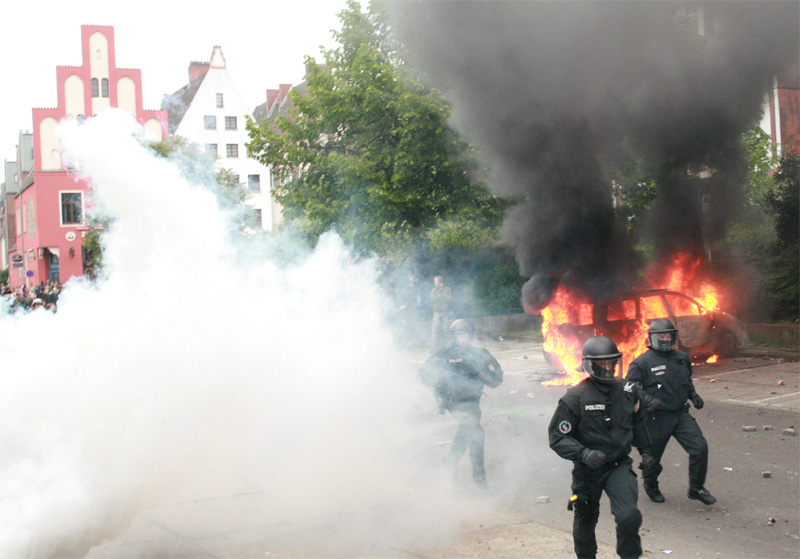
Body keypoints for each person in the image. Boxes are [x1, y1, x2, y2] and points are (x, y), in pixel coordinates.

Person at [548, 336, 654, 559]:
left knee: (629, 516)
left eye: (611, 363)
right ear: (589, 365)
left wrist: (646, 452)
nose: (607, 368)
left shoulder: (628, 390)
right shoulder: (575, 397)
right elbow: (557, 437)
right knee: (585, 521)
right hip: (588, 471)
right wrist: (584, 454)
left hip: (618, 466)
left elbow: (638, 424)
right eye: (601, 364)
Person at [626, 319, 716, 505]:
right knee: (651, 460)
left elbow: (686, 380)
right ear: (653, 338)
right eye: (662, 336)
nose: (666, 339)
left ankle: (696, 487)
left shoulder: (681, 357)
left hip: (680, 414)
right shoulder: (641, 363)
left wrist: (693, 395)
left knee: (699, 447)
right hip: (656, 418)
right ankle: (651, 485)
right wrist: (649, 400)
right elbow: (630, 388)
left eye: (669, 335)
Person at [420, 319, 503, 487]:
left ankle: (453, 461)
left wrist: (484, 374)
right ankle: (478, 475)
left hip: (472, 402)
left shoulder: (481, 353)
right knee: (475, 431)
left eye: (466, 333)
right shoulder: (445, 354)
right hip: (453, 401)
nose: (463, 336)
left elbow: (497, 380)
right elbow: (425, 373)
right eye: (459, 333)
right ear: (453, 336)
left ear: (472, 335)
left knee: (474, 432)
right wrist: (439, 394)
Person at [429, 275, 453, 351]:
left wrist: (444, 295)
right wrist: (438, 296)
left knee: (445, 330)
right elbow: (431, 300)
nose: (434, 283)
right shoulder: (433, 290)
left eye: (435, 281)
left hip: (445, 312)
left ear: (440, 282)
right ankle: (433, 348)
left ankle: (446, 348)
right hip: (436, 312)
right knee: (435, 331)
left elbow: (450, 300)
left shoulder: (447, 289)